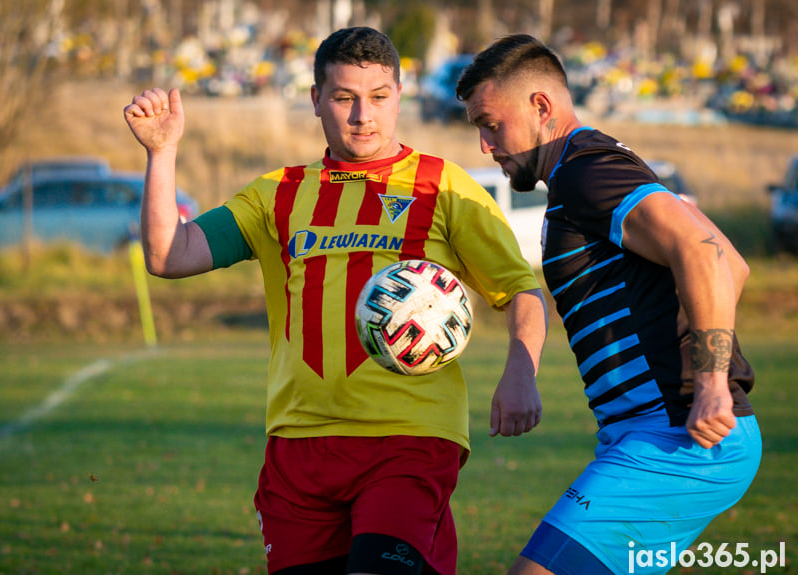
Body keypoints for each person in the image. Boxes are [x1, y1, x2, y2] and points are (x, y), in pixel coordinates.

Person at [124, 27, 547, 575]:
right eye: (345, 98)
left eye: (377, 98)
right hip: (299, 445)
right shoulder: (278, 192)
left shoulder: (442, 187)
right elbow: (168, 254)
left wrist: (522, 370)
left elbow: (520, 289)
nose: (362, 116)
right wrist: (162, 152)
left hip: (408, 440)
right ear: (317, 101)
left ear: (399, 97)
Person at [455, 34, 762, 575]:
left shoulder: (585, 170)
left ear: (541, 107)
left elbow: (706, 254)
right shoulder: (589, 169)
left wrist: (710, 382)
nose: (486, 145)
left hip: (675, 439)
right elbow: (729, 262)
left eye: (490, 123)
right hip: (658, 433)